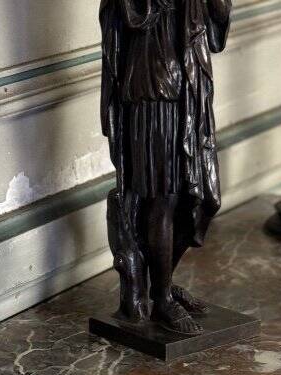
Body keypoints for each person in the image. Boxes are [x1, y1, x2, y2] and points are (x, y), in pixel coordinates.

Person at [99, 0, 232, 334]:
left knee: (203, 199)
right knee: (164, 199)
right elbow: (130, 16)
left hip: (191, 89)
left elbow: (215, 33)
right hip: (155, 89)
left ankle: (163, 282)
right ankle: (159, 299)